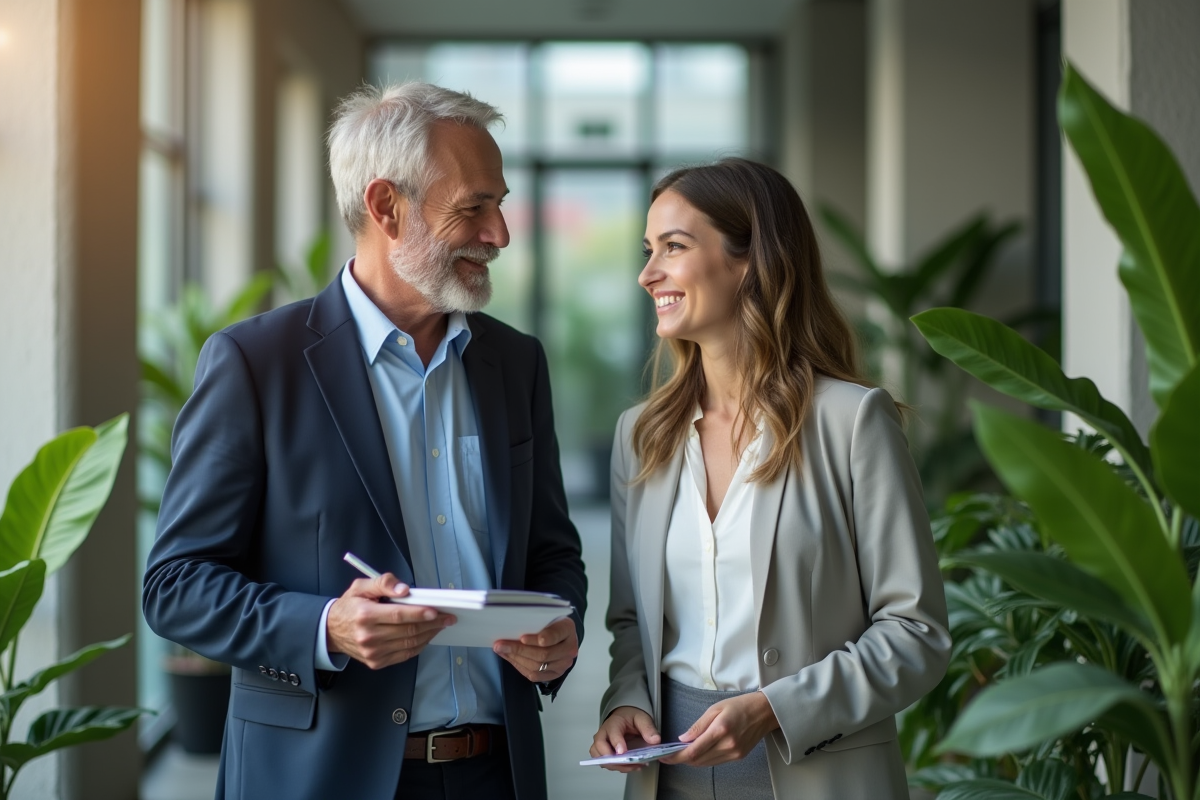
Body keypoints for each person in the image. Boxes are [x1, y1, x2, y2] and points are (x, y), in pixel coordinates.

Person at [143, 83, 587, 800]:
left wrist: (559, 630)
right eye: (474, 207)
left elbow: (552, 552)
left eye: (499, 204)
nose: (500, 234)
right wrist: (326, 626)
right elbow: (176, 586)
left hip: (494, 774)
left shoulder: (516, 362)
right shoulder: (255, 363)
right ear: (386, 207)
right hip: (318, 776)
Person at [589, 158, 950, 799]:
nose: (648, 274)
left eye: (673, 247)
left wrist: (773, 709)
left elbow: (916, 634)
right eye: (649, 251)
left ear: (750, 261)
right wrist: (625, 699)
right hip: (667, 777)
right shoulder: (641, 435)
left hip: (817, 771)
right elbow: (629, 622)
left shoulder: (851, 422)